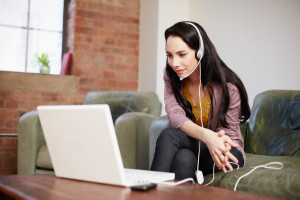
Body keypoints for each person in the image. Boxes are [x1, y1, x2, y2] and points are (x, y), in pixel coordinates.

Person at [150, 21, 251, 181]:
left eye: (182, 54)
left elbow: (228, 135)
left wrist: (212, 140)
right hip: (194, 145)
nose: (174, 63)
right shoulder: (171, 75)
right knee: (183, 158)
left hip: (226, 151)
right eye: (169, 55)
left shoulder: (229, 87)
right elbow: (174, 115)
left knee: (169, 135)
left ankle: (148, 191)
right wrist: (207, 136)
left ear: (200, 52)